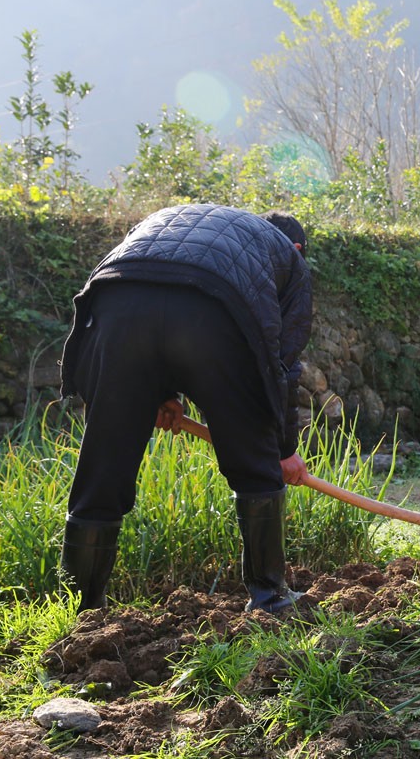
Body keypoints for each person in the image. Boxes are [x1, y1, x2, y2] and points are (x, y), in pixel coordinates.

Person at [58, 203, 313, 614]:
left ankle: (82, 611)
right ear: (298, 247)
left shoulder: (188, 221)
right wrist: (282, 450)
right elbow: (279, 365)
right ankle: (270, 599)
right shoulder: (289, 260)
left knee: (102, 468)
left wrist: (156, 391)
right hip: (212, 308)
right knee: (255, 466)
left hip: (116, 297)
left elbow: (155, 302)